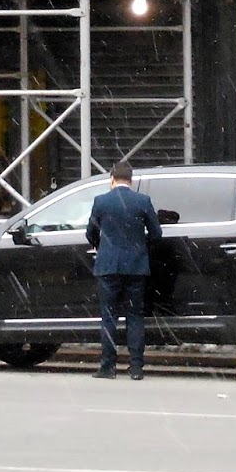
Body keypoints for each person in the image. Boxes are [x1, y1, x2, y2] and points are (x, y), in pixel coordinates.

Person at [85, 161, 162, 380]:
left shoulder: (101, 202)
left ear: (112, 179)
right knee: (135, 316)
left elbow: (90, 232)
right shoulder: (142, 201)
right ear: (131, 180)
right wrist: (140, 245)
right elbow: (156, 233)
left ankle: (108, 366)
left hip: (108, 266)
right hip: (136, 267)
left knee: (109, 316)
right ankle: (136, 368)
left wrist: (102, 246)